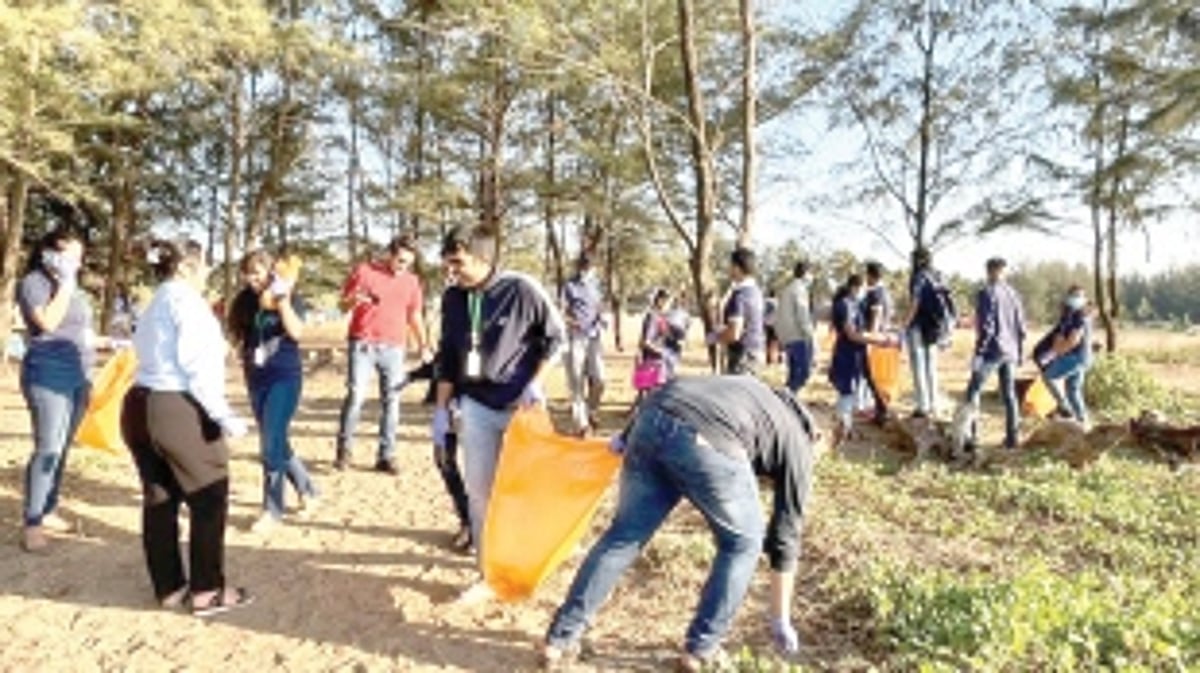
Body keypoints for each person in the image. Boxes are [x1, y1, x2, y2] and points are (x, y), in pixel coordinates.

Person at [541, 376, 820, 671]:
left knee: (624, 535)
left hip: (651, 418)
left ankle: (559, 640)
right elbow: (785, 536)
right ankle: (702, 649)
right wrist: (781, 617)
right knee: (743, 542)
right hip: (705, 441)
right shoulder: (800, 445)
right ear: (817, 437)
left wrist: (627, 435)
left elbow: (676, 390)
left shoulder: (753, 392)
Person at [121, 239, 253, 616]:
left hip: (139, 404)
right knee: (209, 495)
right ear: (185, 267)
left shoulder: (154, 304)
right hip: (174, 405)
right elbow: (199, 368)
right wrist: (223, 416)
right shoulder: (188, 304)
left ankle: (169, 586)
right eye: (204, 266)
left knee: (160, 497)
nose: (207, 273)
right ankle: (207, 590)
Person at [431, 224, 566, 576]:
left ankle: (531, 556)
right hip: (476, 405)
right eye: (447, 263)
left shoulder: (522, 289)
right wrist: (442, 410)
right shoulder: (453, 297)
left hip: (522, 406)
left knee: (529, 489)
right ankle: (487, 572)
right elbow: (447, 354)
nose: (451, 270)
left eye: (457, 263)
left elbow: (556, 339)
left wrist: (534, 385)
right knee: (480, 492)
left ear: (483, 258)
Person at [227, 250, 319, 533]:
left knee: (270, 443)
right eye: (248, 273)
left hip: (284, 376)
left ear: (270, 272)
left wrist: (282, 302)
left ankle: (272, 509)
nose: (253, 278)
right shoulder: (244, 301)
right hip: (257, 378)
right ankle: (309, 490)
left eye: (258, 272)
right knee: (277, 440)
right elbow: (237, 336)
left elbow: (297, 332)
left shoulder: (288, 295)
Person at [15, 226, 95, 552]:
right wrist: (65, 284)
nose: (73, 261)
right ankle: (32, 522)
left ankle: (48, 508)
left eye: (78, 256)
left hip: (79, 374)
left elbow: (79, 329)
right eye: (67, 254)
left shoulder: (74, 288)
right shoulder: (34, 283)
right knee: (47, 447)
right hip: (47, 374)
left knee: (62, 448)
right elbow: (47, 322)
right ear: (48, 252)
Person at [335, 235, 433, 474]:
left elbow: (415, 316)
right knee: (356, 395)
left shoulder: (412, 282)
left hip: (394, 347)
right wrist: (352, 301)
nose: (403, 266)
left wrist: (424, 345)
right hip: (363, 343)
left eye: (408, 263)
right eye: (400, 260)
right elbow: (342, 305)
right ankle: (344, 449)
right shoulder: (364, 271)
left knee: (392, 400)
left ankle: (386, 455)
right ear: (389, 254)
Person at [962, 258, 1026, 450]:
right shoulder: (1013, 294)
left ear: (989, 271)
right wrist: (1019, 353)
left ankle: (971, 438)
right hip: (1011, 351)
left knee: (973, 392)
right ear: (1003, 271)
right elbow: (1021, 327)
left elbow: (986, 327)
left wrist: (979, 353)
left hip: (992, 351)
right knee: (1009, 395)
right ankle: (1012, 439)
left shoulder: (986, 293)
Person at [829, 275, 896, 447]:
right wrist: (877, 341)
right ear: (854, 287)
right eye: (862, 289)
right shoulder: (844, 305)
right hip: (847, 353)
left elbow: (861, 331)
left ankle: (846, 427)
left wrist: (879, 338)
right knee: (847, 392)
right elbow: (851, 334)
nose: (864, 293)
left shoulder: (854, 305)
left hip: (856, 354)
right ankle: (843, 430)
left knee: (850, 392)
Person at [1034, 286, 1094, 426]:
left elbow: (1073, 340)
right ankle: (1083, 423)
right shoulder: (1075, 315)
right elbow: (1060, 336)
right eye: (1073, 295)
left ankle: (1064, 407)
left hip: (1075, 357)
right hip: (1084, 358)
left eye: (1079, 296)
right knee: (1073, 390)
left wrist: (1054, 354)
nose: (1075, 299)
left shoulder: (1080, 315)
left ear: (1084, 298)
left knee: (1048, 377)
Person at [560, 254, 606, 435]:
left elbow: (600, 307)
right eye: (584, 266)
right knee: (576, 384)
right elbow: (561, 311)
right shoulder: (569, 286)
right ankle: (582, 425)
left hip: (594, 337)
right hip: (575, 338)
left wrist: (601, 320)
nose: (587, 270)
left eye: (590, 266)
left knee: (600, 380)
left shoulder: (596, 285)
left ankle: (591, 410)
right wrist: (572, 322)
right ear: (579, 267)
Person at [900, 247, 945, 418]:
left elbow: (915, 303)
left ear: (917, 260)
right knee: (931, 366)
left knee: (918, 366)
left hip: (918, 326)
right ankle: (934, 404)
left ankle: (922, 405)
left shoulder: (918, 276)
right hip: (934, 326)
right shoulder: (938, 275)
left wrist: (905, 324)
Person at [710, 247, 765, 376]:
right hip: (755, 353)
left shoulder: (740, 296)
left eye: (731, 265)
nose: (729, 269)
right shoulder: (756, 292)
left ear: (737, 267)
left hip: (742, 357)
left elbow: (735, 333)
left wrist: (716, 337)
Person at [859, 261, 894, 423]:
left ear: (871, 275)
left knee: (872, 376)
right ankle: (880, 410)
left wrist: (870, 340)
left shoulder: (875, 293)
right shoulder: (886, 292)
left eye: (867, 275)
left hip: (875, 340)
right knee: (878, 377)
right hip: (884, 339)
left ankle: (882, 410)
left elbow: (877, 315)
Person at [774, 261, 815, 394]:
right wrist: (810, 336)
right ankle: (788, 398)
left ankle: (788, 398)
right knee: (803, 373)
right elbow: (802, 316)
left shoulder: (787, 289)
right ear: (806, 274)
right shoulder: (800, 290)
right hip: (798, 336)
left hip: (787, 337)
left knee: (793, 373)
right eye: (811, 273)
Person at [638, 288, 683, 382]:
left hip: (665, 363)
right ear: (659, 300)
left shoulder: (662, 316)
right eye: (666, 300)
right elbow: (645, 342)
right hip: (654, 362)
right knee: (653, 393)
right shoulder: (652, 317)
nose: (668, 304)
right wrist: (661, 353)